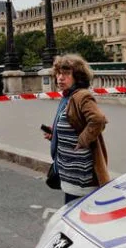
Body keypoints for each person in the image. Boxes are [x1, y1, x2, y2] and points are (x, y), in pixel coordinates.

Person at [45, 54, 109, 204]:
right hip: (69, 171)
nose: (60, 78)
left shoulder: (81, 96)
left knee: (78, 212)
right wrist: (55, 134)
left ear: (78, 77)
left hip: (81, 175)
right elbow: (73, 125)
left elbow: (98, 120)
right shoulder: (67, 97)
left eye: (66, 74)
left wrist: (83, 140)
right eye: (58, 73)